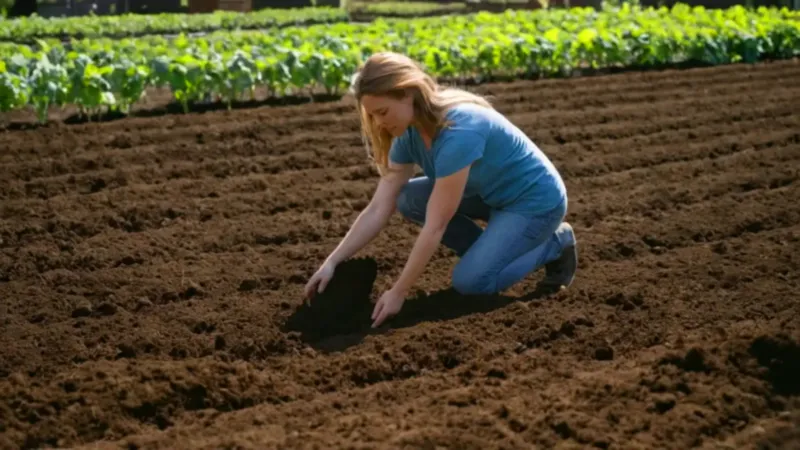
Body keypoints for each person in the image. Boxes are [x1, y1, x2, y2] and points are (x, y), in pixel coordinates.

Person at [303, 52, 577, 328]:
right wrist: (333, 261)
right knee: (408, 198)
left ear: (407, 94)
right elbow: (378, 207)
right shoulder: (408, 132)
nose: (378, 123)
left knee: (471, 283)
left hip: (534, 202)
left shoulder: (458, 132)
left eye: (382, 112)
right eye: (372, 116)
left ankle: (555, 244)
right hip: (490, 194)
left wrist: (399, 291)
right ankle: (489, 254)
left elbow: (436, 225)